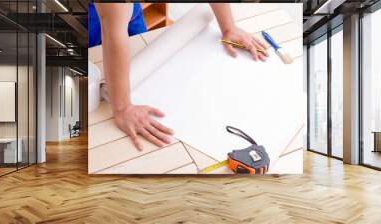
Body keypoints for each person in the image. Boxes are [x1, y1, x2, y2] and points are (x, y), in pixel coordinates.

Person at [91, 3, 269, 151]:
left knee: (133, 32)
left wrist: (228, 27)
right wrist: (122, 108)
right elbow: (112, 33)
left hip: (128, 10)